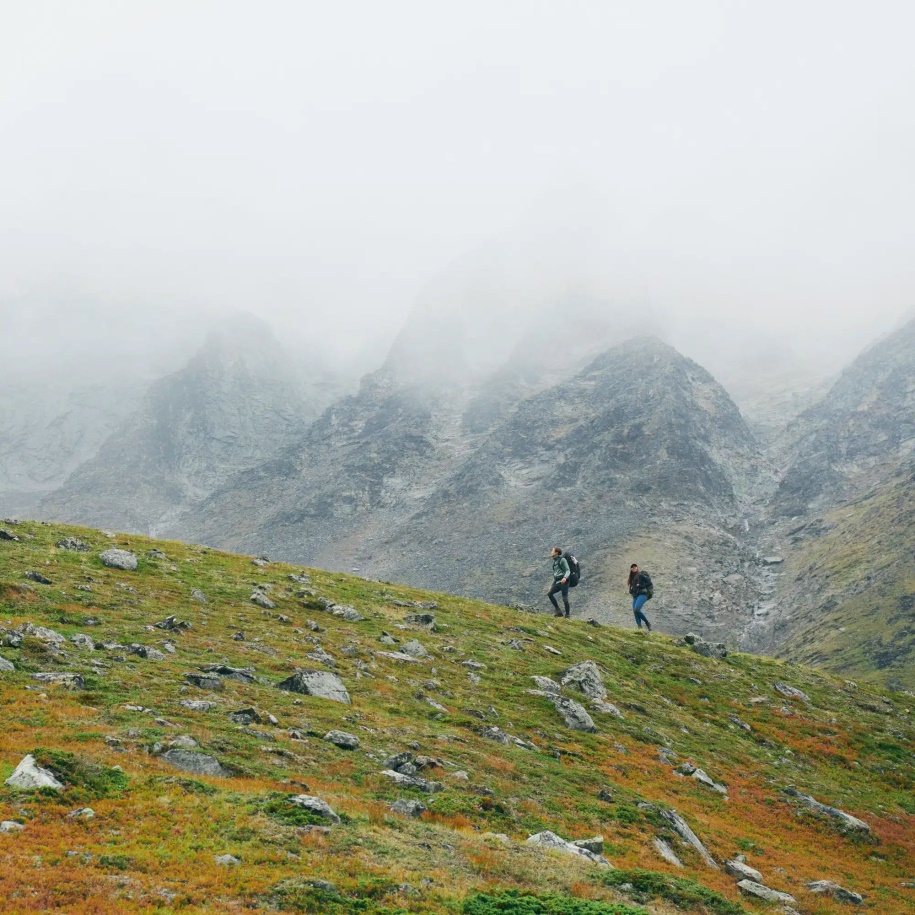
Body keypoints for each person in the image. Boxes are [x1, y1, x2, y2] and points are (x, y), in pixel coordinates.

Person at [547, 546, 571, 617]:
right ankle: (558, 611)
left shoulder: (562, 560)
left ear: (556, 552)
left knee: (564, 598)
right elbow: (555, 577)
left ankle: (567, 615)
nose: (551, 552)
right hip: (558, 582)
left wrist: (565, 578)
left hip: (564, 582)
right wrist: (551, 586)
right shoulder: (554, 563)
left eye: (552, 551)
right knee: (549, 594)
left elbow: (567, 570)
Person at [627, 563, 653, 630]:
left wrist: (641, 586)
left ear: (637, 568)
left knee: (637, 609)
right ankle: (639, 628)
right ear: (631, 569)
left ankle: (647, 623)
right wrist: (631, 590)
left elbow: (649, 582)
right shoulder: (631, 577)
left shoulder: (640, 575)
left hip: (642, 595)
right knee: (635, 612)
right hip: (635, 596)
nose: (634, 568)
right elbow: (631, 590)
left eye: (635, 567)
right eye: (632, 567)